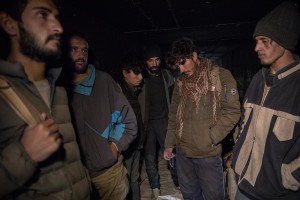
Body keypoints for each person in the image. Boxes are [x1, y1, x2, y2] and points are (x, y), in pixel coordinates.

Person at [0, 0, 90, 199]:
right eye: (42, 15)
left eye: (56, 17)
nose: (58, 27)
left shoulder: (58, 89)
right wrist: (24, 154)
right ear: (9, 23)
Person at [232, 2, 300, 200]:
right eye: (256, 41)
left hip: (279, 193)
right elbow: (244, 121)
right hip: (244, 186)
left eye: (264, 40)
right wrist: (238, 153)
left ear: (284, 41)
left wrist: (289, 177)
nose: (256, 47)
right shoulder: (257, 79)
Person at [60, 31, 137, 200]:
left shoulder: (103, 81)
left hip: (108, 174)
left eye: (85, 50)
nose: (81, 54)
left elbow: (128, 120)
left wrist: (114, 146)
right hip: (73, 178)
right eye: (74, 49)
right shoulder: (57, 88)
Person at [163, 37, 241, 200]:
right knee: (190, 195)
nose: (181, 69)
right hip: (183, 154)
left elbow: (233, 112)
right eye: (178, 65)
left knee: (214, 197)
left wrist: (211, 137)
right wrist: (170, 144)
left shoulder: (221, 76)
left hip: (208, 155)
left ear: (195, 55)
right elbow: (173, 115)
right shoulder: (180, 84)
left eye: (183, 62)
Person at [138, 43, 176, 199]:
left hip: (163, 121)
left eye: (157, 60)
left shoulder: (167, 75)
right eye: (150, 60)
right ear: (145, 62)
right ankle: (155, 188)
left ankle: (178, 181)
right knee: (149, 157)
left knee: (171, 153)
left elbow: (174, 99)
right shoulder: (141, 78)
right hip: (147, 124)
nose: (154, 64)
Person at [116, 55, 146, 200]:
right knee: (125, 181)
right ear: (125, 73)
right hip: (126, 146)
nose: (140, 77)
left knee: (134, 178)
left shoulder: (133, 91)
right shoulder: (118, 92)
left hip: (136, 143)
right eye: (136, 73)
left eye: (141, 73)